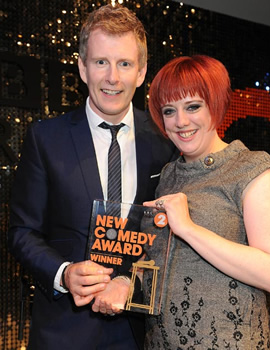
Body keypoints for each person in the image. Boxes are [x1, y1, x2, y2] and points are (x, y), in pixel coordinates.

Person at [8, 4, 177, 350]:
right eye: (101, 62)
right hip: (64, 331)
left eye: (124, 64)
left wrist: (133, 282)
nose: (112, 77)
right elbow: (22, 232)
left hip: (141, 333)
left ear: (142, 72)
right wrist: (64, 273)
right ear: (83, 68)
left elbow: (169, 238)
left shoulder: (165, 142)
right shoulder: (46, 138)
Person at [143, 55, 270, 349]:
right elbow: (157, 262)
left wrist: (188, 228)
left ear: (216, 104)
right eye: (169, 110)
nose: (180, 122)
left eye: (193, 106)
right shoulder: (168, 176)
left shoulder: (251, 169)